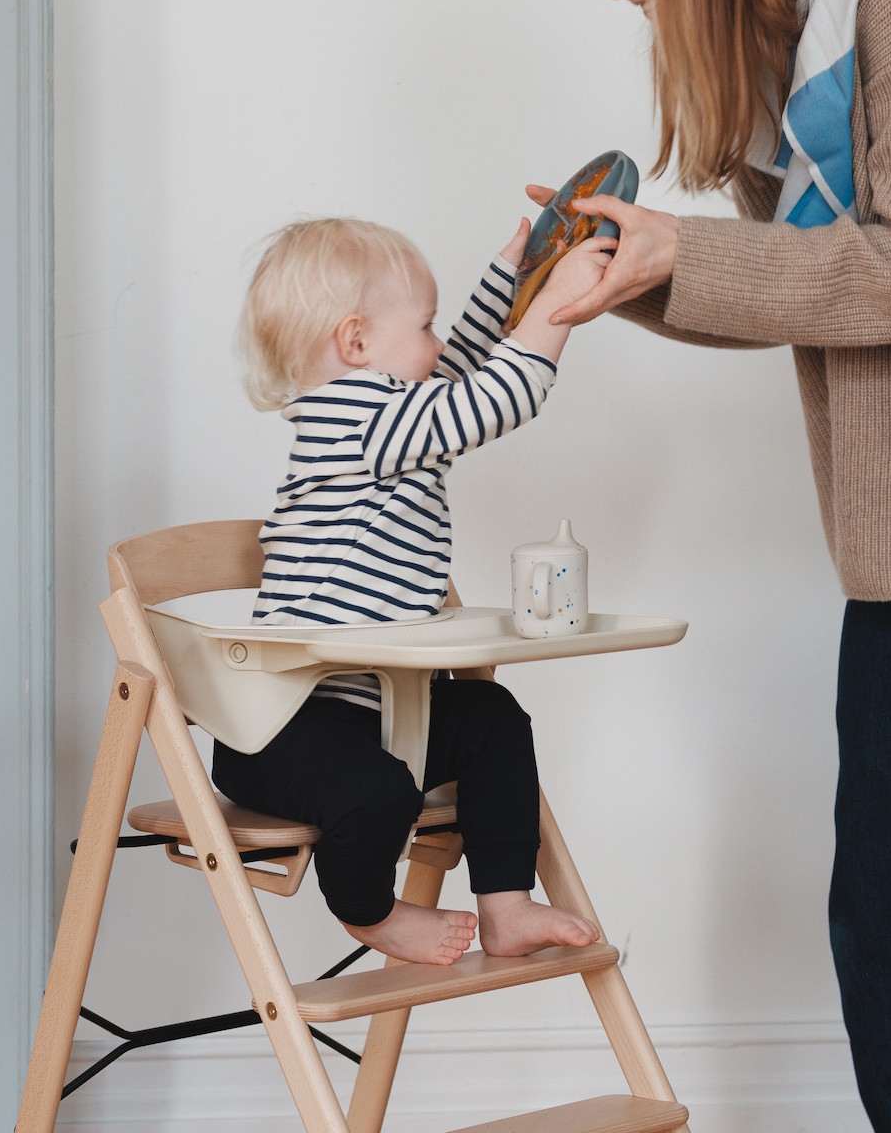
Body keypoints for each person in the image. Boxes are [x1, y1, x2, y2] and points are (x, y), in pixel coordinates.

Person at [552, 0, 891, 1127]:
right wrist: (640, 272)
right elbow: (811, 282)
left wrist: (685, 251)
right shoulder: (810, 44)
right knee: (877, 929)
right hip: (886, 560)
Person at [214, 215, 611, 967]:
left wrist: (511, 281)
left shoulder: (384, 413)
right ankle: (371, 911)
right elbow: (492, 398)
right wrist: (555, 304)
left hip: (379, 708)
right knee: (378, 789)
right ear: (357, 343)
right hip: (281, 729)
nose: (436, 341)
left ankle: (504, 902)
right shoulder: (359, 421)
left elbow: (453, 373)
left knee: (493, 718)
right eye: (424, 324)